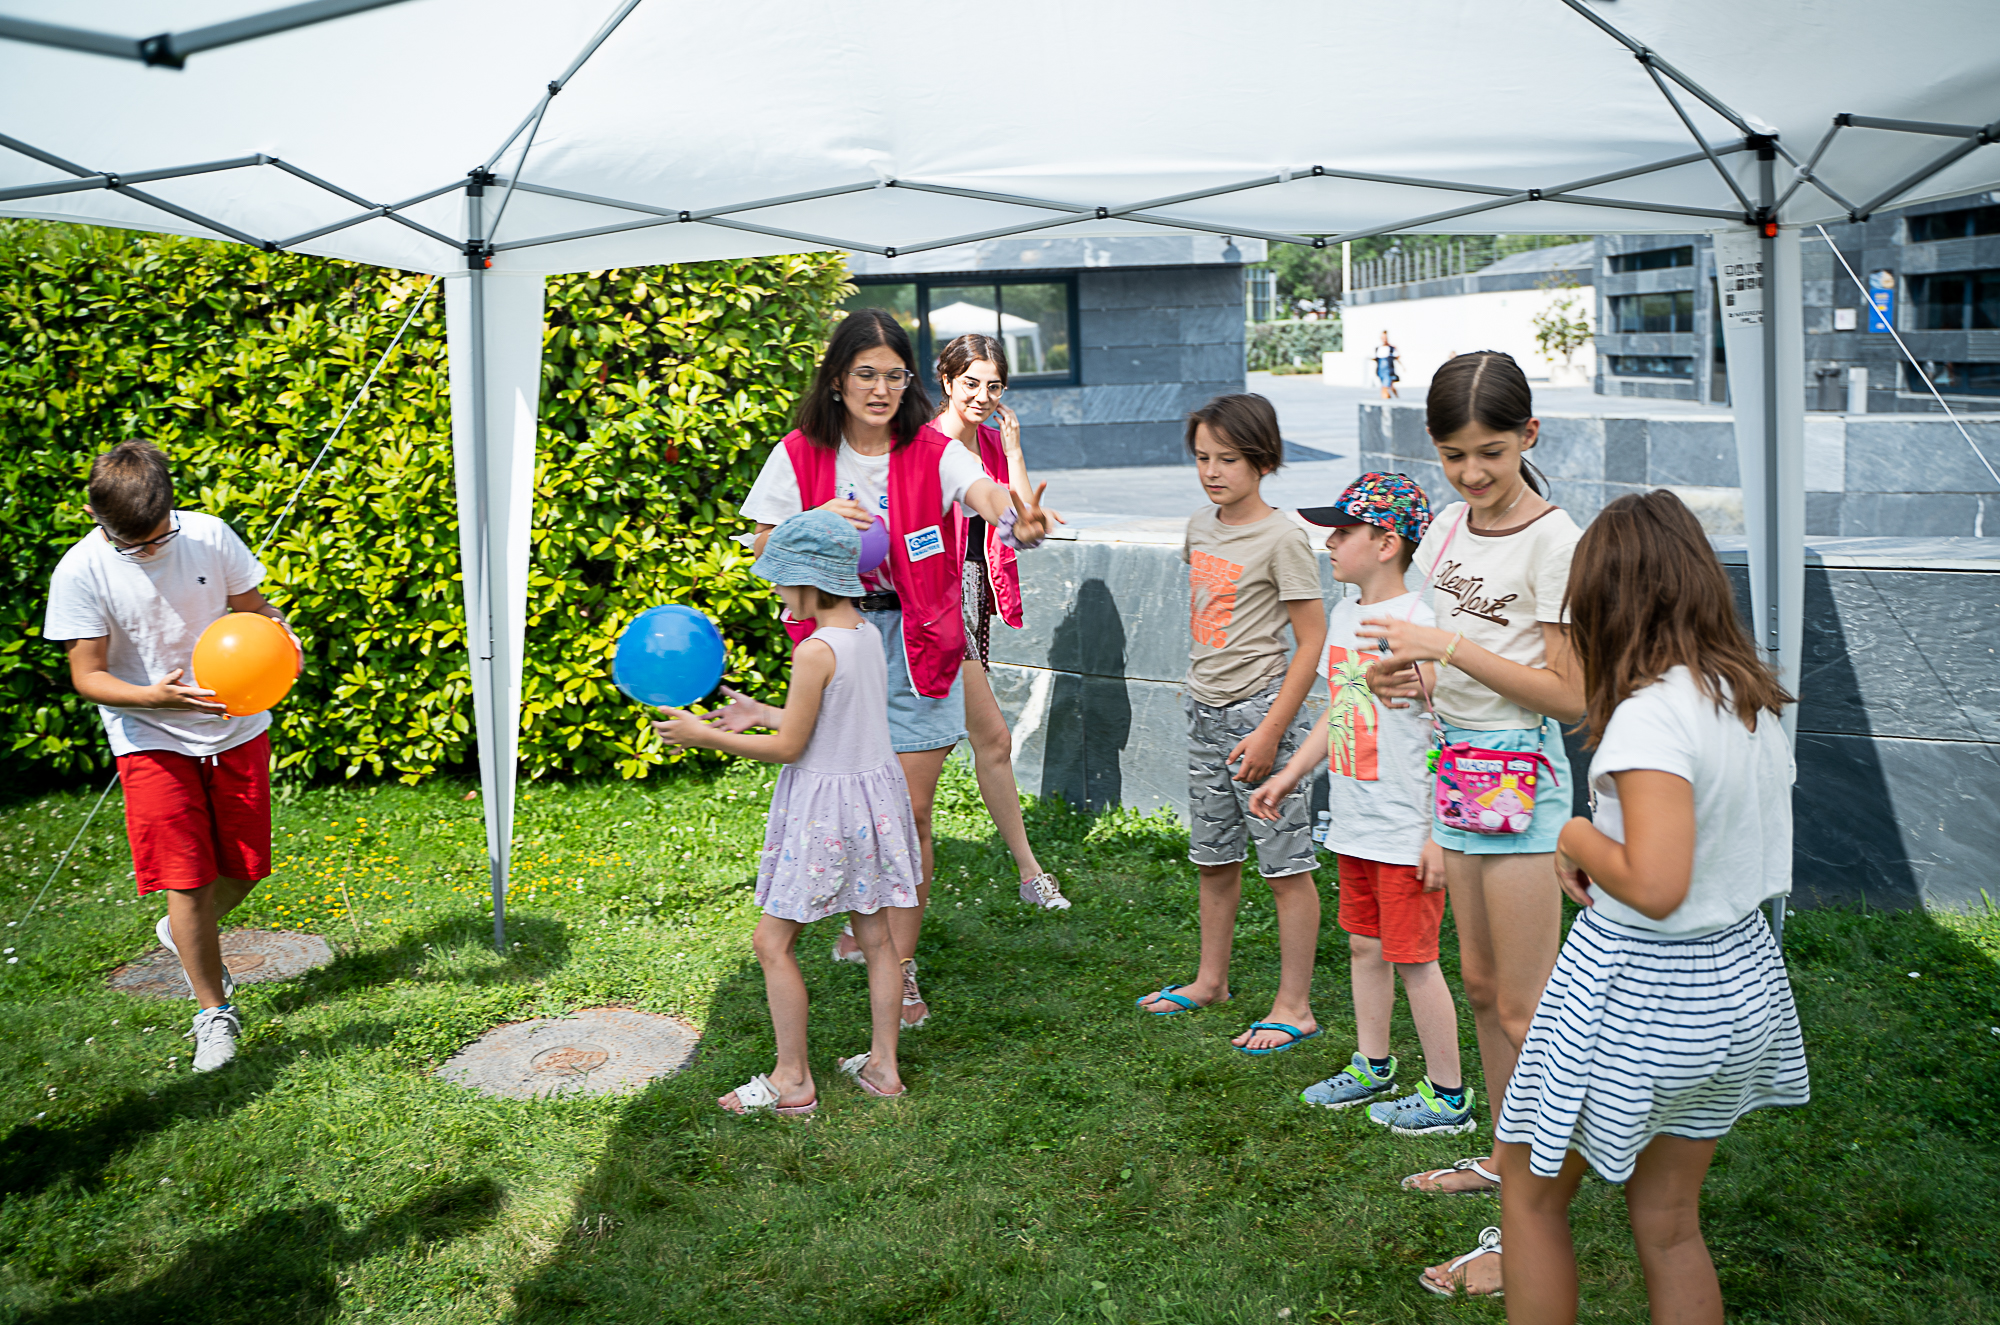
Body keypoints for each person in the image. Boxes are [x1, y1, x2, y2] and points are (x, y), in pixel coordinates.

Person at [1475, 490, 1808, 1316]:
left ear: (1607, 600)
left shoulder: (1651, 718)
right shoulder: (1746, 697)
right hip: (1735, 982)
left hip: (1640, 992)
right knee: (1666, 1222)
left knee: (1529, 1189)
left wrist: (1577, 837)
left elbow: (1656, 885)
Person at [730, 309, 1054, 1030]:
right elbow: (761, 544)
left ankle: (900, 969)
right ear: (838, 378)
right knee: (842, 807)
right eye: (866, 374)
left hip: (919, 642)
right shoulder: (799, 452)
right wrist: (816, 519)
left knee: (907, 817)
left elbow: (983, 491)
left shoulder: (929, 448)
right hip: (834, 642)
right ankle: (861, 923)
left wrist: (1015, 515)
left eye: (894, 375)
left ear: (911, 381)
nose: (880, 389)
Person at [1359, 351, 1585, 1294]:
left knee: (1528, 1010)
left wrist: (1446, 644)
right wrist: (1406, 676)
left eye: (1490, 452)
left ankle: (1527, 1228)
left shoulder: (1559, 541)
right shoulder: (1446, 525)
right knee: (1486, 987)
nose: (1472, 474)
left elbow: (1569, 694)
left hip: (1524, 778)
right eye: (1453, 455)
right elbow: (1449, 669)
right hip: (1460, 771)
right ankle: (1505, 1161)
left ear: (1530, 436)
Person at [41, 440, 300, 1074]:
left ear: (172, 507)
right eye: (132, 545)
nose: (149, 551)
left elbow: (254, 611)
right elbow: (87, 675)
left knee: (244, 868)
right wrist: (153, 698)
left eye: (159, 537)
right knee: (185, 877)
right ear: (95, 515)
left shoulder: (210, 537)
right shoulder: (81, 572)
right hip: (149, 734)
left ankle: (185, 933)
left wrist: (280, 629)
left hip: (236, 725)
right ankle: (214, 1013)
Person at [655, 511, 924, 1111]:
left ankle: (792, 1079)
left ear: (808, 581)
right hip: (873, 807)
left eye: (779, 582)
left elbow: (790, 748)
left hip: (826, 817)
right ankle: (883, 1067)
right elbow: (833, 721)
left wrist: (708, 736)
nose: (775, 593)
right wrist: (762, 711)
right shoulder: (864, 634)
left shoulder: (814, 651)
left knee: (772, 943)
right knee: (877, 938)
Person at [1251, 473, 1470, 1134]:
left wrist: (1437, 833)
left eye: (1343, 531)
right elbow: (1343, 708)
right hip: (1355, 823)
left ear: (1385, 542)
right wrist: (1290, 774)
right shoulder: (1345, 617)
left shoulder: (1423, 626)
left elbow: (1447, 732)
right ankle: (1373, 1063)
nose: (1330, 542)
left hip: (1408, 831)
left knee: (1416, 960)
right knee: (1365, 947)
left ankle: (1449, 1095)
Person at [1134, 394, 1329, 1055]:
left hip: (1260, 715)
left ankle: (1294, 1005)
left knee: (1285, 865)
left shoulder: (1284, 537)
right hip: (1205, 712)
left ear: (1263, 459)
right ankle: (1210, 980)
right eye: (1202, 457)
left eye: (1228, 458)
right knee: (1213, 859)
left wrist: (1273, 730)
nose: (1212, 470)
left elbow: (1311, 639)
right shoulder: (1199, 526)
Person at [928, 332, 1070, 912]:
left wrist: (1012, 449)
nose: (983, 396)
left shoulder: (988, 441)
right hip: (930, 607)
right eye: (971, 384)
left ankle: (1028, 874)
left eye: (994, 386)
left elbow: (1019, 516)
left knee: (965, 747)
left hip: (968, 598)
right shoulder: (924, 446)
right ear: (946, 382)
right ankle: (1029, 874)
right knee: (949, 751)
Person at [1374, 331, 1399, 400]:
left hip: (1388, 370)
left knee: (1385, 387)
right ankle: (1392, 399)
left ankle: (1385, 402)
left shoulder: (1391, 348)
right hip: (1380, 370)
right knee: (1388, 386)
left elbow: (1397, 357)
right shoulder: (1378, 348)